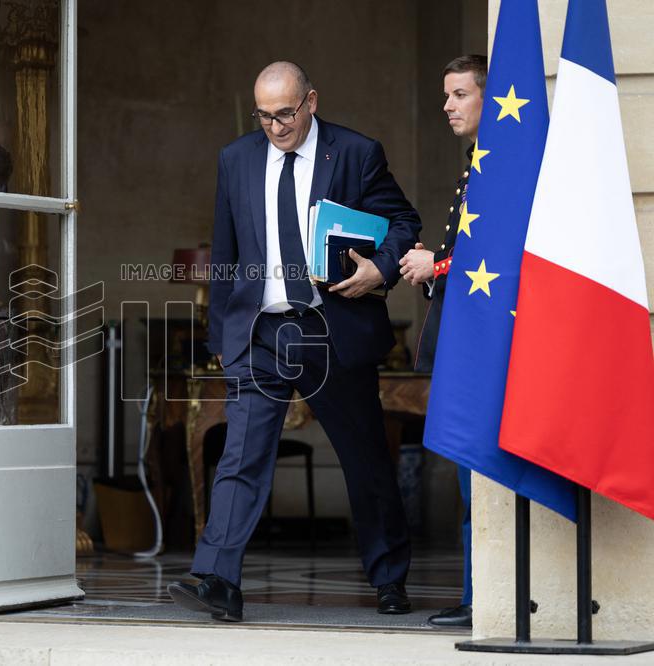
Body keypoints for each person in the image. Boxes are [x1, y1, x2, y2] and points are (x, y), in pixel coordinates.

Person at [167, 61, 421, 622]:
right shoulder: (236, 159)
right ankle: (217, 579)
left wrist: (381, 270)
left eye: (285, 113)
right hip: (261, 331)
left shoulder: (355, 153)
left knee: (364, 458)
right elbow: (226, 251)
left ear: (310, 101)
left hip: (332, 329)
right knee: (240, 455)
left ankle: (389, 577)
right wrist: (222, 339)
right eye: (265, 115)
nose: (275, 127)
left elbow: (403, 221)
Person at [399, 54, 488, 629]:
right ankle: (477, 593)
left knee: (475, 471)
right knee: (465, 472)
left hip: (482, 345)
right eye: (446, 95)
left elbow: (495, 258)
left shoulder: (498, 165)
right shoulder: (476, 165)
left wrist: (436, 264)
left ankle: (484, 596)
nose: (448, 106)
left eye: (460, 94)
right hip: (464, 339)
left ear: (489, 96)